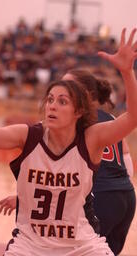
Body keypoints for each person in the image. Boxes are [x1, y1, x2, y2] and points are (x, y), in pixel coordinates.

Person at [0, 28, 137, 256]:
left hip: (81, 245)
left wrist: (127, 72)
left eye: (62, 101)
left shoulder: (91, 139)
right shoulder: (28, 135)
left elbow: (133, 118)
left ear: (79, 110)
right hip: (30, 245)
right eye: (50, 99)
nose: (52, 105)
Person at [62, 68, 136, 255]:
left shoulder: (76, 119)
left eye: (68, 85)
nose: (62, 88)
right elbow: (127, 163)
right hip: (126, 196)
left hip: (101, 197)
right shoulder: (109, 117)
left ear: (86, 93)